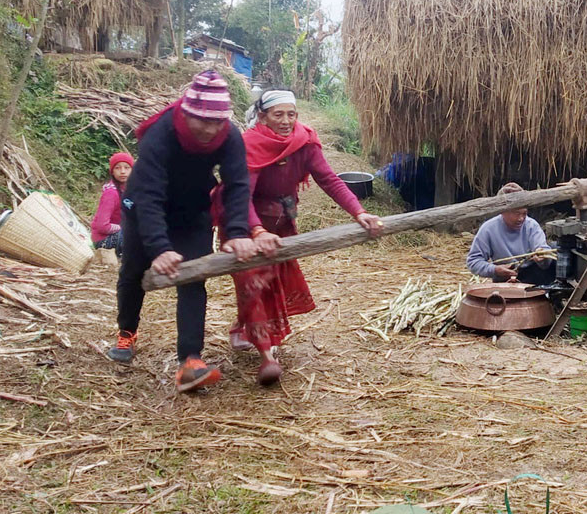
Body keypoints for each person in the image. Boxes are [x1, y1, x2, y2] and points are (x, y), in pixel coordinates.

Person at [107, 70, 257, 393]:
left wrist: (239, 231)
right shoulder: (161, 134)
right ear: (186, 113)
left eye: (218, 122)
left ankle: (190, 360)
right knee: (134, 271)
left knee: (192, 275)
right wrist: (159, 247)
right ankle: (127, 331)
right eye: (202, 121)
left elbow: (238, 184)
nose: (210, 129)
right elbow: (148, 196)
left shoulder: (229, 136)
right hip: (143, 207)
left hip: (192, 210)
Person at [226, 89, 385, 386]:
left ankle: (243, 327)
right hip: (244, 225)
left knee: (272, 281)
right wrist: (257, 231)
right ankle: (267, 357)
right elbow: (240, 195)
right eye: (278, 115)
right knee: (253, 281)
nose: (286, 121)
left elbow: (329, 179)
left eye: (291, 114)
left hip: (282, 223)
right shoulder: (250, 145)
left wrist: (358, 212)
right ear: (262, 117)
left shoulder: (305, 142)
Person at [466, 183, 556, 286]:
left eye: (524, 213)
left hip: (532, 280)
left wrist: (543, 257)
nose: (521, 219)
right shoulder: (489, 229)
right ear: (502, 211)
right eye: (516, 214)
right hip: (504, 280)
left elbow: (542, 248)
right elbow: (473, 261)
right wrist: (494, 270)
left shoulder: (531, 226)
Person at [91, 152, 133, 257]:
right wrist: (122, 228)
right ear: (112, 172)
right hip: (103, 240)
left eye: (127, 168)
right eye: (118, 168)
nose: (122, 172)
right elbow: (102, 226)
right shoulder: (111, 193)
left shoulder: (130, 191)